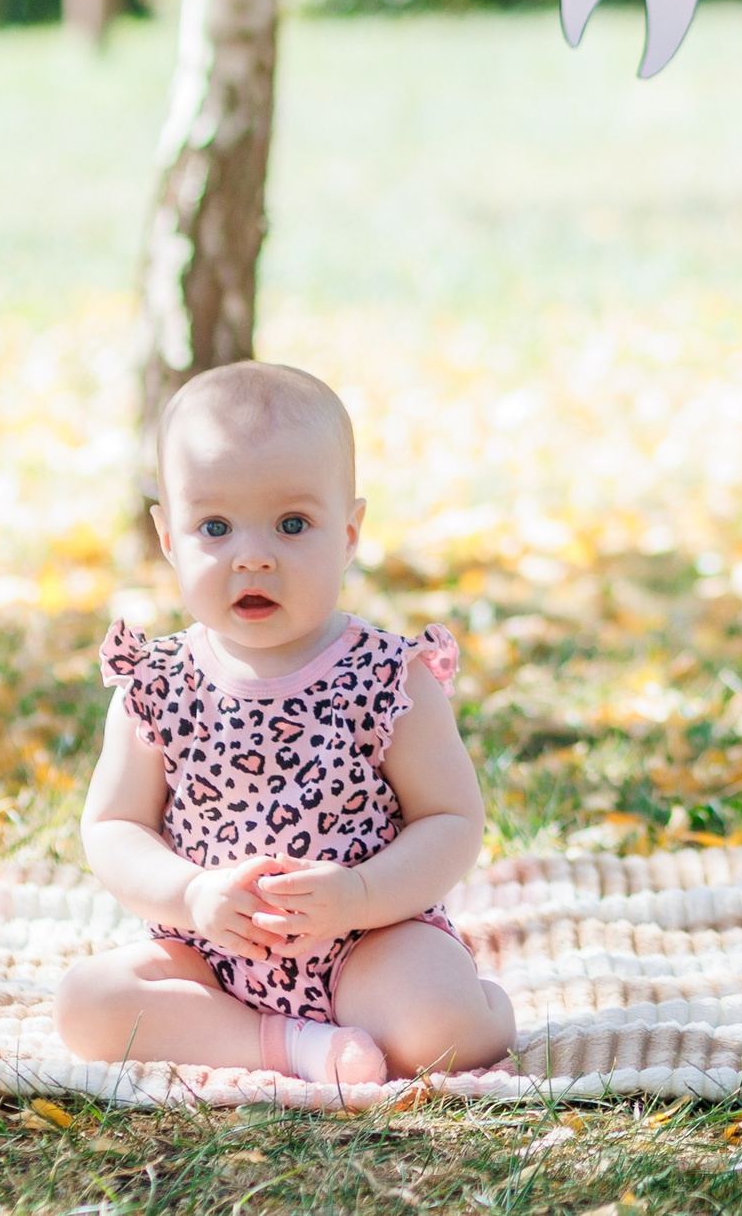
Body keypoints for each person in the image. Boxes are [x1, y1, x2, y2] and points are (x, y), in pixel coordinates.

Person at [54, 362, 515, 1084]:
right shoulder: (156, 683)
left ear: (351, 531)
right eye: (215, 526)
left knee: (441, 1031)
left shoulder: (390, 678)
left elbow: (452, 819)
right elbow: (114, 826)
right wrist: (190, 894)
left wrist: (360, 894)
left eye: (293, 523)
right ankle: (290, 1045)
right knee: (87, 1003)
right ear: (169, 537)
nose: (254, 554)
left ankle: (479, 1006)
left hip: (366, 940)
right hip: (208, 953)